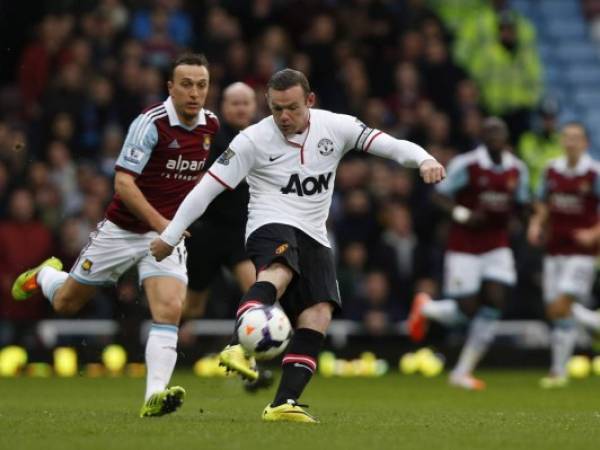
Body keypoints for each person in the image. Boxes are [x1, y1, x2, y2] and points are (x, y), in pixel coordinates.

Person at [150, 68, 445, 422]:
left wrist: (424, 158)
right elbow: (205, 190)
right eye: (276, 109)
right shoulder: (252, 140)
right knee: (280, 269)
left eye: (291, 108)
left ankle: (282, 404)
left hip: (315, 233)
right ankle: (238, 346)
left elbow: (391, 145)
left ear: (310, 101)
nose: (284, 117)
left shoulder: (336, 127)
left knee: (318, 314)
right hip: (269, 223)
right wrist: (169, 235)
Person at [11, 53, 219, 417]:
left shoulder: (211, 126)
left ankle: (155, 395)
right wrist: (164, 225)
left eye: (201, 85)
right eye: (186, 84)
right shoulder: (150, 123)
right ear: (170, 87)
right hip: (123, 231)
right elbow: (123, 183)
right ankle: (45, 274)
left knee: (170, 309)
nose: (194, 92)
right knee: (66, 303)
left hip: (165, 234)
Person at [408, 117, 530, 390]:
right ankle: (426, 308)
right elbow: (439, 196)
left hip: (497, 244)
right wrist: (463, 214)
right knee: (467, 309)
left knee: (495, 300)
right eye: (490, 133)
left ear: (506, 137)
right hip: (464, 244)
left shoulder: (517, 169)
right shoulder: (467, 164)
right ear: (483, 138)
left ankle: (462, 372)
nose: (495, 138)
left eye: (499, 133)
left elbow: (521, 203)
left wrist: (524, 218)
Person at [183, 81, 272, 391]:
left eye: (245, 102)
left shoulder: (263, 138)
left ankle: (249, 365)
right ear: (223, 106)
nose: (240, 108)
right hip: (206, 233)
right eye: (234, 103)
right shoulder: (210, 139)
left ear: (254, 106)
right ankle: (159, 334)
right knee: (191, 309)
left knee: (256, 296)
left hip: (240, 234)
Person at [527, 122, 600, 388]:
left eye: (576, 138)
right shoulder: (551, 170)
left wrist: (594, 232)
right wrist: (536, 225)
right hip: (554, 248)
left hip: (581, 252)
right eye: (567, 138)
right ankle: (560, 369)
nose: (570, 142)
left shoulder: (594, 172)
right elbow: (543, 203)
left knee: (561, 306)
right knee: (556, 312)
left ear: (585, 143)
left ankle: (559, 370)